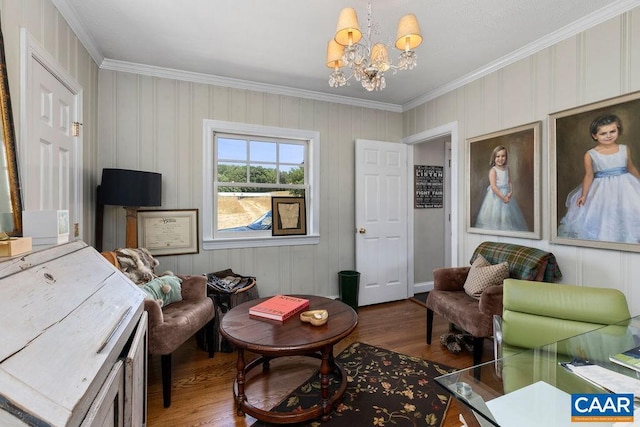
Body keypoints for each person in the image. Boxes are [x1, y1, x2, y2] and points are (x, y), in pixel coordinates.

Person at [558, 114, 640, 243]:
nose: (608, 136)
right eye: (603, 133)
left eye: (612, 131)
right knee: (605, 217)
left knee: (629, 212)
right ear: (595, 135)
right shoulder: (591, 154)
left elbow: (631, 167)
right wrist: (584, 195)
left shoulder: (624, 149)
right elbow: (589, 175)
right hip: (602, 190)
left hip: (626, 187)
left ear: (618, 130)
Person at [474, 145, 528, 231]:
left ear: (506, 157)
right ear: (494, 158)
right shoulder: (493, 170)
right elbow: (493, 187)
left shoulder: (507, 169)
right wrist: (503, 197)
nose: (500, 159)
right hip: (496, 197)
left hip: (506, 194)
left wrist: (510, 192)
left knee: (508, 219)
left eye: (503, 156)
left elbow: (509, 181)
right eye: (498, 156)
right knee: (496, 219)